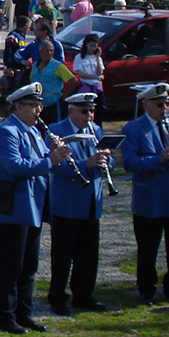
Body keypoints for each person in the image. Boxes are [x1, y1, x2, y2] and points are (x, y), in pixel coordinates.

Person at [0, 82, 70, 334]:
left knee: (29, 264)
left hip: (34, 205)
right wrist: (50, 161)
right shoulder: (6, 132)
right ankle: (5, 316)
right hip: (14, 206)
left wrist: (55, 155)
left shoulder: (34, 131)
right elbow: (15, 166)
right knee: (12, 265)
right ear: (18, 107)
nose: (38, 110)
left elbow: (42, 161)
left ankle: (24, 313)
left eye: (39, 106)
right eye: (33, 105)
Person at [121, 82, 169, 306]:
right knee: (148, 246)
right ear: (146, 105)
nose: (164, 108)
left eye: (166, 103)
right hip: (151, 196)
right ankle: (146, 289)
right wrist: (159, 159)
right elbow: (130, 162)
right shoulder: (133, 128)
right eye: (159, 104)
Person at [46, 92, 113, 315]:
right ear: (71, 110)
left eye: (92, 111)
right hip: (68, 203)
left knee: (88, 254)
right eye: (84, 111)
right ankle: (57, 297)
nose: (89, 116)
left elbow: (108, 160)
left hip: (91, 202)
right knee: (63, 255)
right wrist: (86, 164)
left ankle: (84, 295)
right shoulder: (56, 130)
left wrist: (107, 160)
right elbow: (56, 166)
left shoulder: (96, 131)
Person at [30, 40, 78, 123]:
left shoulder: (58, 66)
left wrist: (63, 97)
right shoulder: (35, 65)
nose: (49, 53)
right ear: (40, 52)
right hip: (37, 104)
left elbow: (73, 81)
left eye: (51, 50)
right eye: (46, 50)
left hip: (53, 104)